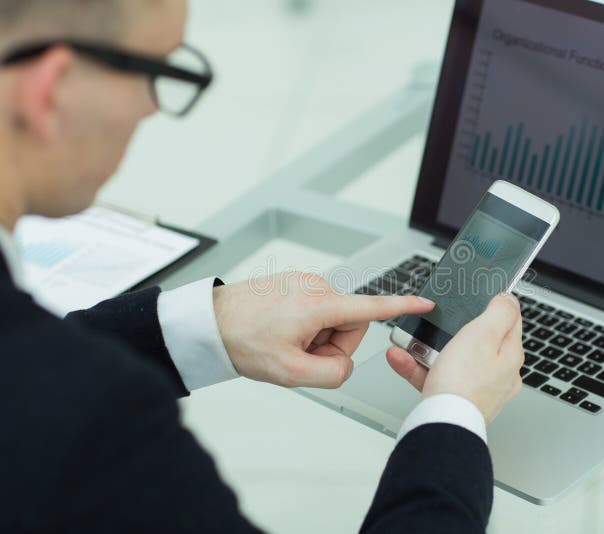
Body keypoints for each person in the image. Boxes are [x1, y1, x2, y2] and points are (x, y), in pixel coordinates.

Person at [0, 1, 525, 532]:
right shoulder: (95, 429)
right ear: (52, 91)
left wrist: (211, 322)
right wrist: (455, 414)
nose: (150, 110)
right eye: (158, 74)